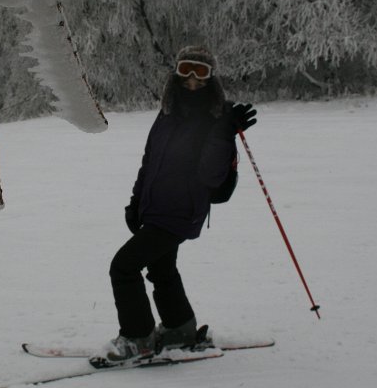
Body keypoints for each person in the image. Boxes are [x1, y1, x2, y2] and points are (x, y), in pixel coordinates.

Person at [94, 45, 257, 367]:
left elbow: (211, 176)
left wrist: (225, 133)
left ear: (211, 78)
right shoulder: (167, 113)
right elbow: (150, 162)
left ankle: (137, 339)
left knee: (123, 267)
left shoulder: (217, 118)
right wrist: (136, 203)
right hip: (156, 210)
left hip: (182, 212)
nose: (193, 80)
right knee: (161, 269)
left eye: (201, 73)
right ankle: (179, 330)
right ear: (176, 74)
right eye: (186, 71)